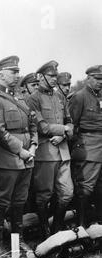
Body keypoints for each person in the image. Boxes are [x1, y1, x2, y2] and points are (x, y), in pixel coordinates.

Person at [0, 55, 38, 256]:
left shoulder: (21, 99)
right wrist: (22, 150)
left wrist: (33, 146)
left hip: (27, 159)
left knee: (19, 202)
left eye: (18, 71)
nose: (17, 75)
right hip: (6, 160)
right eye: (13, 72)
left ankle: (18, 241)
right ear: (1, 75)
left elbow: (33, 125)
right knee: (1, 202)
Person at [26, 61, 74, 236]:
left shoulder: (60, 97)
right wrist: (64, 129)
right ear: (41, 77)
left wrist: (64, 133)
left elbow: (69, 121)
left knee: (67, 193)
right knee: (44, 195)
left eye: (56, 76)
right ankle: (45, 231)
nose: (55, 79)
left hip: (63, 151)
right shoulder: (33, 99)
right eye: (51, 76)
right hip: (45, 153)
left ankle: (57, 227)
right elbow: (42, 127)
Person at [68, 65, 102, 227]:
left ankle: (97, 220)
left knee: (99, 185)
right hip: (87, 146)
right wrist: (77, 146)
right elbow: (71, 124)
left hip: (100, 145)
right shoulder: (79, 96)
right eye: (97, 79)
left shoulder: (100, 97)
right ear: (88, 78)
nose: (100, 82)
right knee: (85, 188)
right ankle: (81, 224)